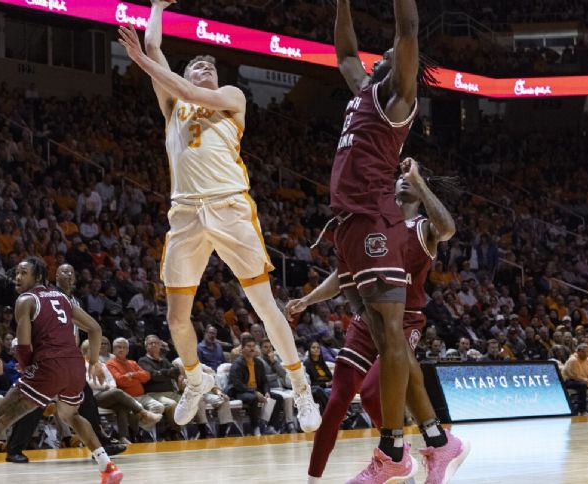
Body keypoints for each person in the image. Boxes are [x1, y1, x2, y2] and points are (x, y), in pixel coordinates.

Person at [117, 1, 320, 433]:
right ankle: (194, 379)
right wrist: (155, 7)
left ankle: (301, 386)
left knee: (265, 305)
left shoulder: (231, 98)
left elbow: (175, 79)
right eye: (197, 67)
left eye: (210, 66)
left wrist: (144, 63)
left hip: (229, 206)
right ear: (185, 75)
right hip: (186, 214)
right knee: (175, 316)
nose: (205, 70)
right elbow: (154, 46)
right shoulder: (172, 107)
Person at [290, 165, 467, 483]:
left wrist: (421, 184)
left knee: (372, 392)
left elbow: (448, 228)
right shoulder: (378, 225)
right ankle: (316, 478)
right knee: (337, 399)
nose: (402, 180)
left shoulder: (423, 226)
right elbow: (343, 277)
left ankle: (398, 456)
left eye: (407, 179)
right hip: (368, 318)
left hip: (406, 318)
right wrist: (307, 300)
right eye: (398, 178)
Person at [325, 0, 436, 477]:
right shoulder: (363, 92)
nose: (377, 56)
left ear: (401, 63)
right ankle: (430, 439)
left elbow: (408, 26)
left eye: (387, 53)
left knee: (391, 334)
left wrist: (400, 26)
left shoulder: (398, 99)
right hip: (351, 221)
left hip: (374, 218)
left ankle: (394, 450)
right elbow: (345, 53)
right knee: (379, 330)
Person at [0, 257, 123, 484]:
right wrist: (94, 361)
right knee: (70, 415)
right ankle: (107, 467)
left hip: (49, 366)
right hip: (74, 367)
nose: (17, 277)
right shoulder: (63, 297)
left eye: (23, 273)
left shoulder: (26, 299)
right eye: (17, 273)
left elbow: (23, 345)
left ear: (38, 277)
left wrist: (28, 369)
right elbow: (95, 328)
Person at [227, 336, 273, 436]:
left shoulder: (258, 363)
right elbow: (238, 385)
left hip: (255, 390)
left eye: (253, 346)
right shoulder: (237, 364)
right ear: (242, 349)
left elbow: (264, 381)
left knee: (276, 397)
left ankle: (266, 425)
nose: (252, 348)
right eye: (249, 346)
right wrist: (255, 393)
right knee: (253, 398)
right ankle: (255, 427)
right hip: (240, 392)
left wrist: (267, 392)